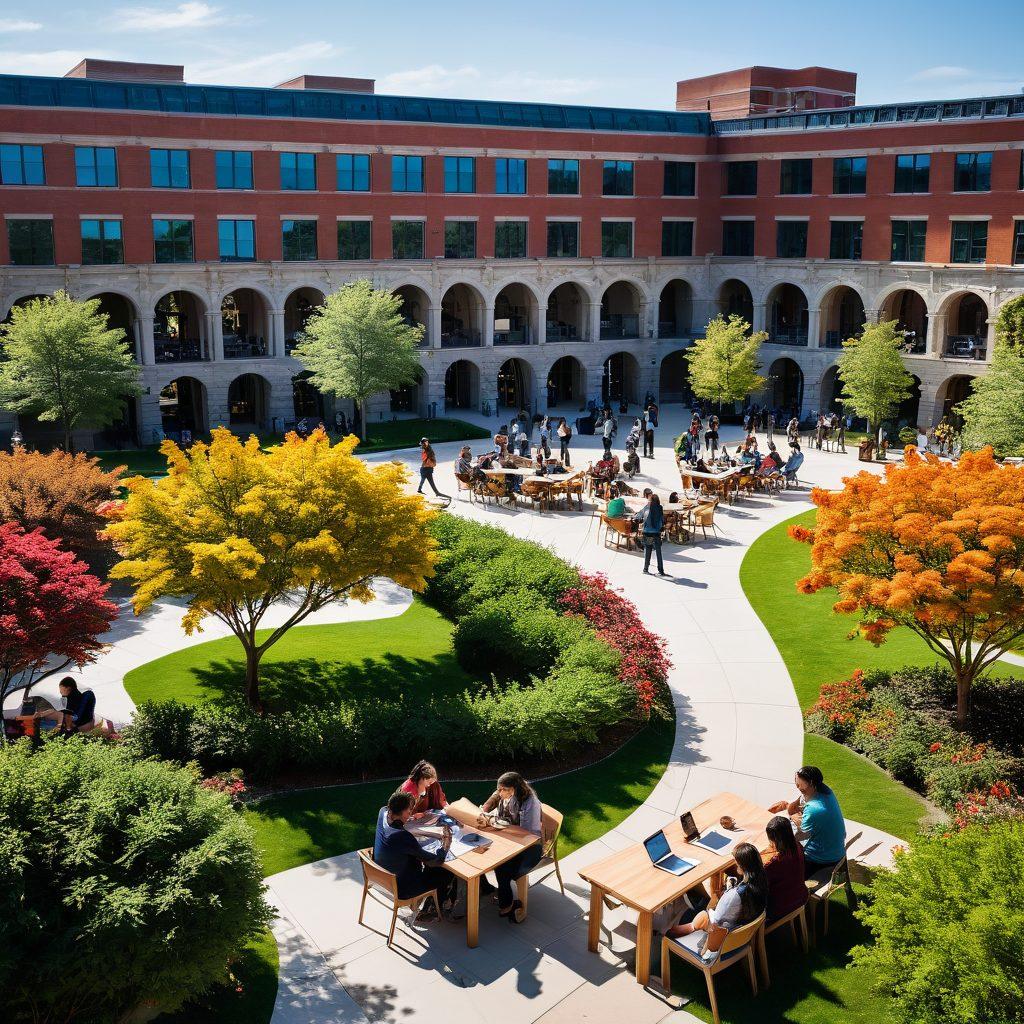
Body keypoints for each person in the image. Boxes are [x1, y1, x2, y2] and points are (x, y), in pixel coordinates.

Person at [374, 790, 456, 917]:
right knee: (446, 871)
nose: (410, 814)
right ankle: (433, 908)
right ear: (400, 811)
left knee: (428, 864)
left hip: (385, 878)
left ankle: (434, 903)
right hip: (403, 889)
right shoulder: (401, 836)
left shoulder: (382, 812)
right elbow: (436, 860)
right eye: (408, 812)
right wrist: (445, 845)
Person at [666, 843, 768, 941]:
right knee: (701, 902)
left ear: (742, 866)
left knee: (678, 924)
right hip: (742, 934)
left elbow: (715, 920)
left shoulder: (734, 896)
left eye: (737, 865)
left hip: (720, 941)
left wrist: (717, 900)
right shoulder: (762, 882)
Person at [481, 772, 543, 922]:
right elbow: (495, 796)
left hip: (530, 847)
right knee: (487, 854)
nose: (499, 792)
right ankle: (490, 891)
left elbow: (527, 833)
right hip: (512, 841)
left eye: (503, 789)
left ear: (513, 789)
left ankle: (508, 904)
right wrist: (484, 810)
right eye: (499, 788)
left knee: (502, 866)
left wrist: (500, 825)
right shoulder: (505, 792)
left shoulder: (530, 803)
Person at [769, 766, 847, 878]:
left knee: (780, 859)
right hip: (836, 851)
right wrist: (790, 809)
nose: (797, 787)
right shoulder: (823, 790)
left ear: (811, 783)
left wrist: (792, 817)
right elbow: (796, 804)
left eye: (800, 787)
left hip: (821, 860)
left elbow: (797, 838)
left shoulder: (815, 808)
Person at [763, 815, 808, 923]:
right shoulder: (798, 847)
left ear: (774, 840)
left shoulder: (773, 864)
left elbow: (761, 887)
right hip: (801, 896)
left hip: (779, 909)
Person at [35, 676, 110, 736]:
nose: (60, 691)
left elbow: (79, 714)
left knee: (63, 722)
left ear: (68, 688)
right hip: (75, 719)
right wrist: (43, 714)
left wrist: (67, 725)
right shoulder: (67, 696)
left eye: (61, 689)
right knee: (55, 716)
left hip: (84, 721)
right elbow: (59, 709)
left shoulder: (87, 695)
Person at [633, 493, 668, 576]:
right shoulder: (660, 508)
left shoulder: (647, 507)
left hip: (647, 532)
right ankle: (661, 571)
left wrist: (636, 516)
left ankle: (645, 569)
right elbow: (662, 520)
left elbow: (638, 516)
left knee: (648, 550)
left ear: (650, 501)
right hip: (656, 533)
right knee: (658, 552)